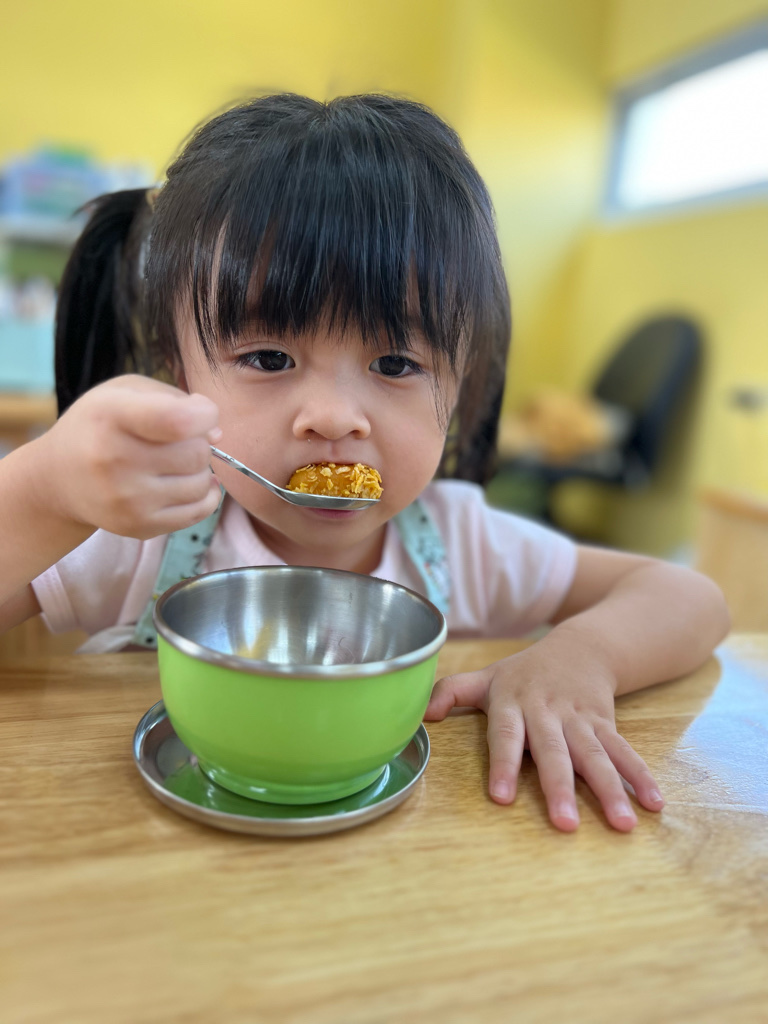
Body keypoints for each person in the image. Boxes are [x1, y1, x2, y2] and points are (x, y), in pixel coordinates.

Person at [0, 93, 729, 833]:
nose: (334, 417)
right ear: (180, 373)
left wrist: (582, 656)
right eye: (268, 357)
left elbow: (689, 597)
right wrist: (43, 492)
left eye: (395, 363)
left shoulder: (461, 541)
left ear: (460, 384)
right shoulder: (143, 532)